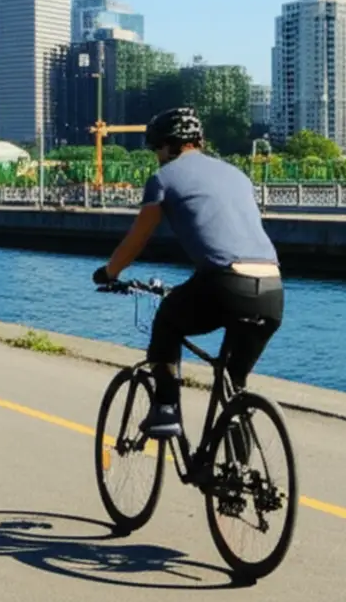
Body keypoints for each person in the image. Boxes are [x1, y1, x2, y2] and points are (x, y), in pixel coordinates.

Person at [92, 107, 284, 439]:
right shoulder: (237, 175)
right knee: (233, 384)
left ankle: (166, 409)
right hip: (272, 289)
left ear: (167, 145)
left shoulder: (164, 178)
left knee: (167, 319)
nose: (156, 158)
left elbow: (137, 240)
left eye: (155, 150)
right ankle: (239, 470)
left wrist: (109, 272)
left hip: (225, 282)